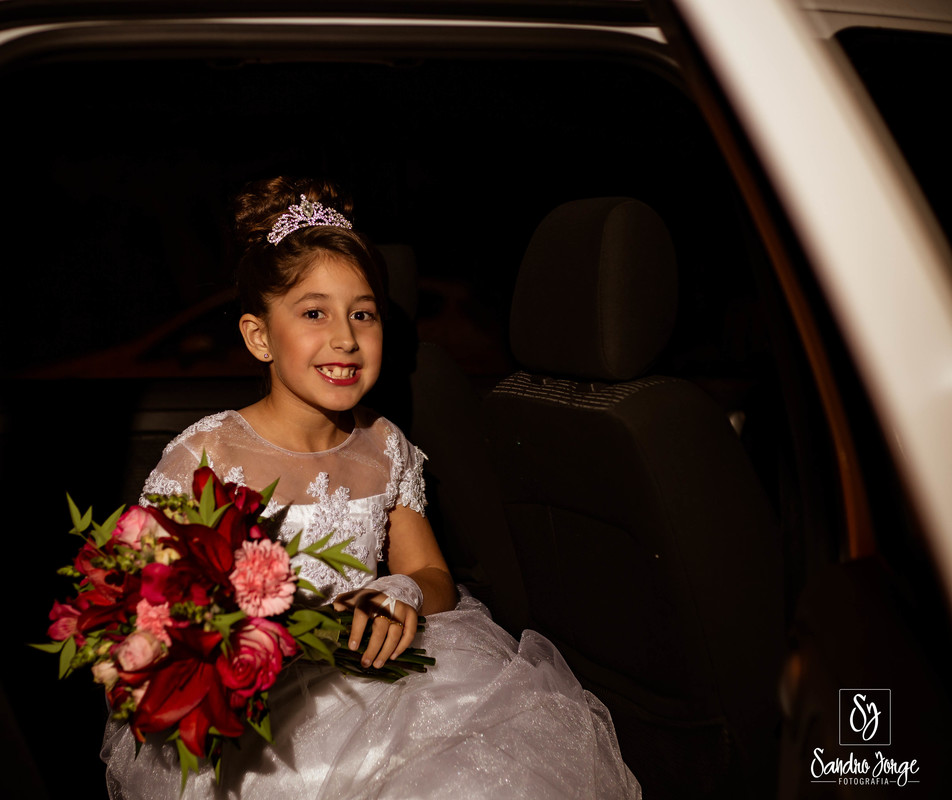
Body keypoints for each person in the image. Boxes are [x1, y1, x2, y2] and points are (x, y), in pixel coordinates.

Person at [100, 177, 641, 799]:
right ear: (259, 337)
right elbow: (151, 606)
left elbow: (434, 575)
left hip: (383, 680)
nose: (345, 338)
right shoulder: (208, 455)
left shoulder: (384, 445)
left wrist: (400, 591)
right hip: (265, 706)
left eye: (363, 314)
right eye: (314, 313)